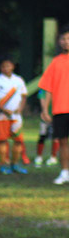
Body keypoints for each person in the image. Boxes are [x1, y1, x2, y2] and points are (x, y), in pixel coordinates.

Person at [38, 25, 69, 185]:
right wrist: (45, 109)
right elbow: (47, 88)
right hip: (61, 109)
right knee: (62, 142)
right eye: (63, 39)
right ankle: (64, 172)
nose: (66, 42)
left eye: (68, 38)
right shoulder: (56, 62)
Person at [0, 58, 29, 175]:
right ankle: (3, 165)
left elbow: (24, 96)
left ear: (13, 66)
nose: (6, 68)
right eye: (3, 66)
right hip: (2, 117)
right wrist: (3, 110)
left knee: (18, 141)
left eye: (8, 66)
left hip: (16, 117)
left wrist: (20, 108)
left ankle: (15, 164)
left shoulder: (18, 80)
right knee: (2, 141)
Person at [35, 90, 61, 166]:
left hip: (56, 115)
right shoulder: (43, 89)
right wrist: (45, 113)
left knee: (56, 137)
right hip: (45, 116)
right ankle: (39, 157)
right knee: (42, 135)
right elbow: (42, 100)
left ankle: (53, 157)